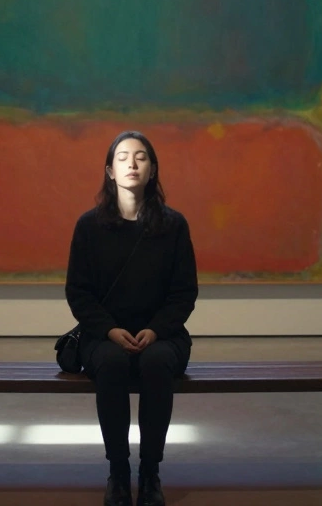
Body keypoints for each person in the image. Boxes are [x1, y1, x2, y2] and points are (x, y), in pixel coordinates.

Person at [66, 131, 199, 506]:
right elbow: (78, 292)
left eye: (141, 157)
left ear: (153, 169)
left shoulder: (173, 225)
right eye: (123, 157)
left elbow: (183, 293)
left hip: (163, 335)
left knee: (157, 363)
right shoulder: (89, 226)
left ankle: (151, 472)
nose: (132, 164)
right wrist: (110, 330)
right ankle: (119, 472)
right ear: (110, 170)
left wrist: (156, 330)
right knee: (111, 363)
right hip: (103, 335)